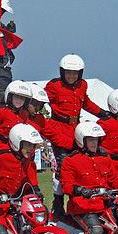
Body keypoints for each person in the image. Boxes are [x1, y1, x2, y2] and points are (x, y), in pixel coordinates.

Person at [44, 54, 111, 218]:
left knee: (82, 167)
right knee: (62, 168)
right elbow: (40, 101)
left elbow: (85, 103)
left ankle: (80, 204)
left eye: (75, 73)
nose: (71, 76)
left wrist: (102, 113)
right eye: (68, 72)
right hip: (59, 129)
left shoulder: (83, 85)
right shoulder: (54, 86)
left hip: (77, 130)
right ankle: (58, 205)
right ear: (62, 72)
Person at [60, 122, 118, 234]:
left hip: (104, 204)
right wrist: (80, 190)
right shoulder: (71, 161)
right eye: (91, 140)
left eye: (96, 140)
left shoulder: (104, 159)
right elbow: (67, 186)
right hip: (83, 208)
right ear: (82, 140)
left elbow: (114, 179)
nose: (94, 143)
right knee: (96, 231)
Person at [0, 80, 32, 157]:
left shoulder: (24, 115)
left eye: (22, 98)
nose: (19, 101)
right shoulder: (1, 111)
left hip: (13, 150)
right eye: (17, 97)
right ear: (10, 97)